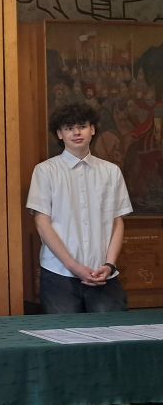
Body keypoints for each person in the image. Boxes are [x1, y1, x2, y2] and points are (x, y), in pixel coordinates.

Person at [26, 102, 132, 314]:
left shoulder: (111, 172)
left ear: (92, 129)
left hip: (103, 274)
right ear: (59, 134)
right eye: (69, 128)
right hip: (59, 273)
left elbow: (117, 222)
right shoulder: (45, 171)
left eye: (82, 126)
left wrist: (109, 265)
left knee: (112, 331)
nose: (76, 132)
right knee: (63, 333)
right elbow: (42, 223)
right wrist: (73, 267)